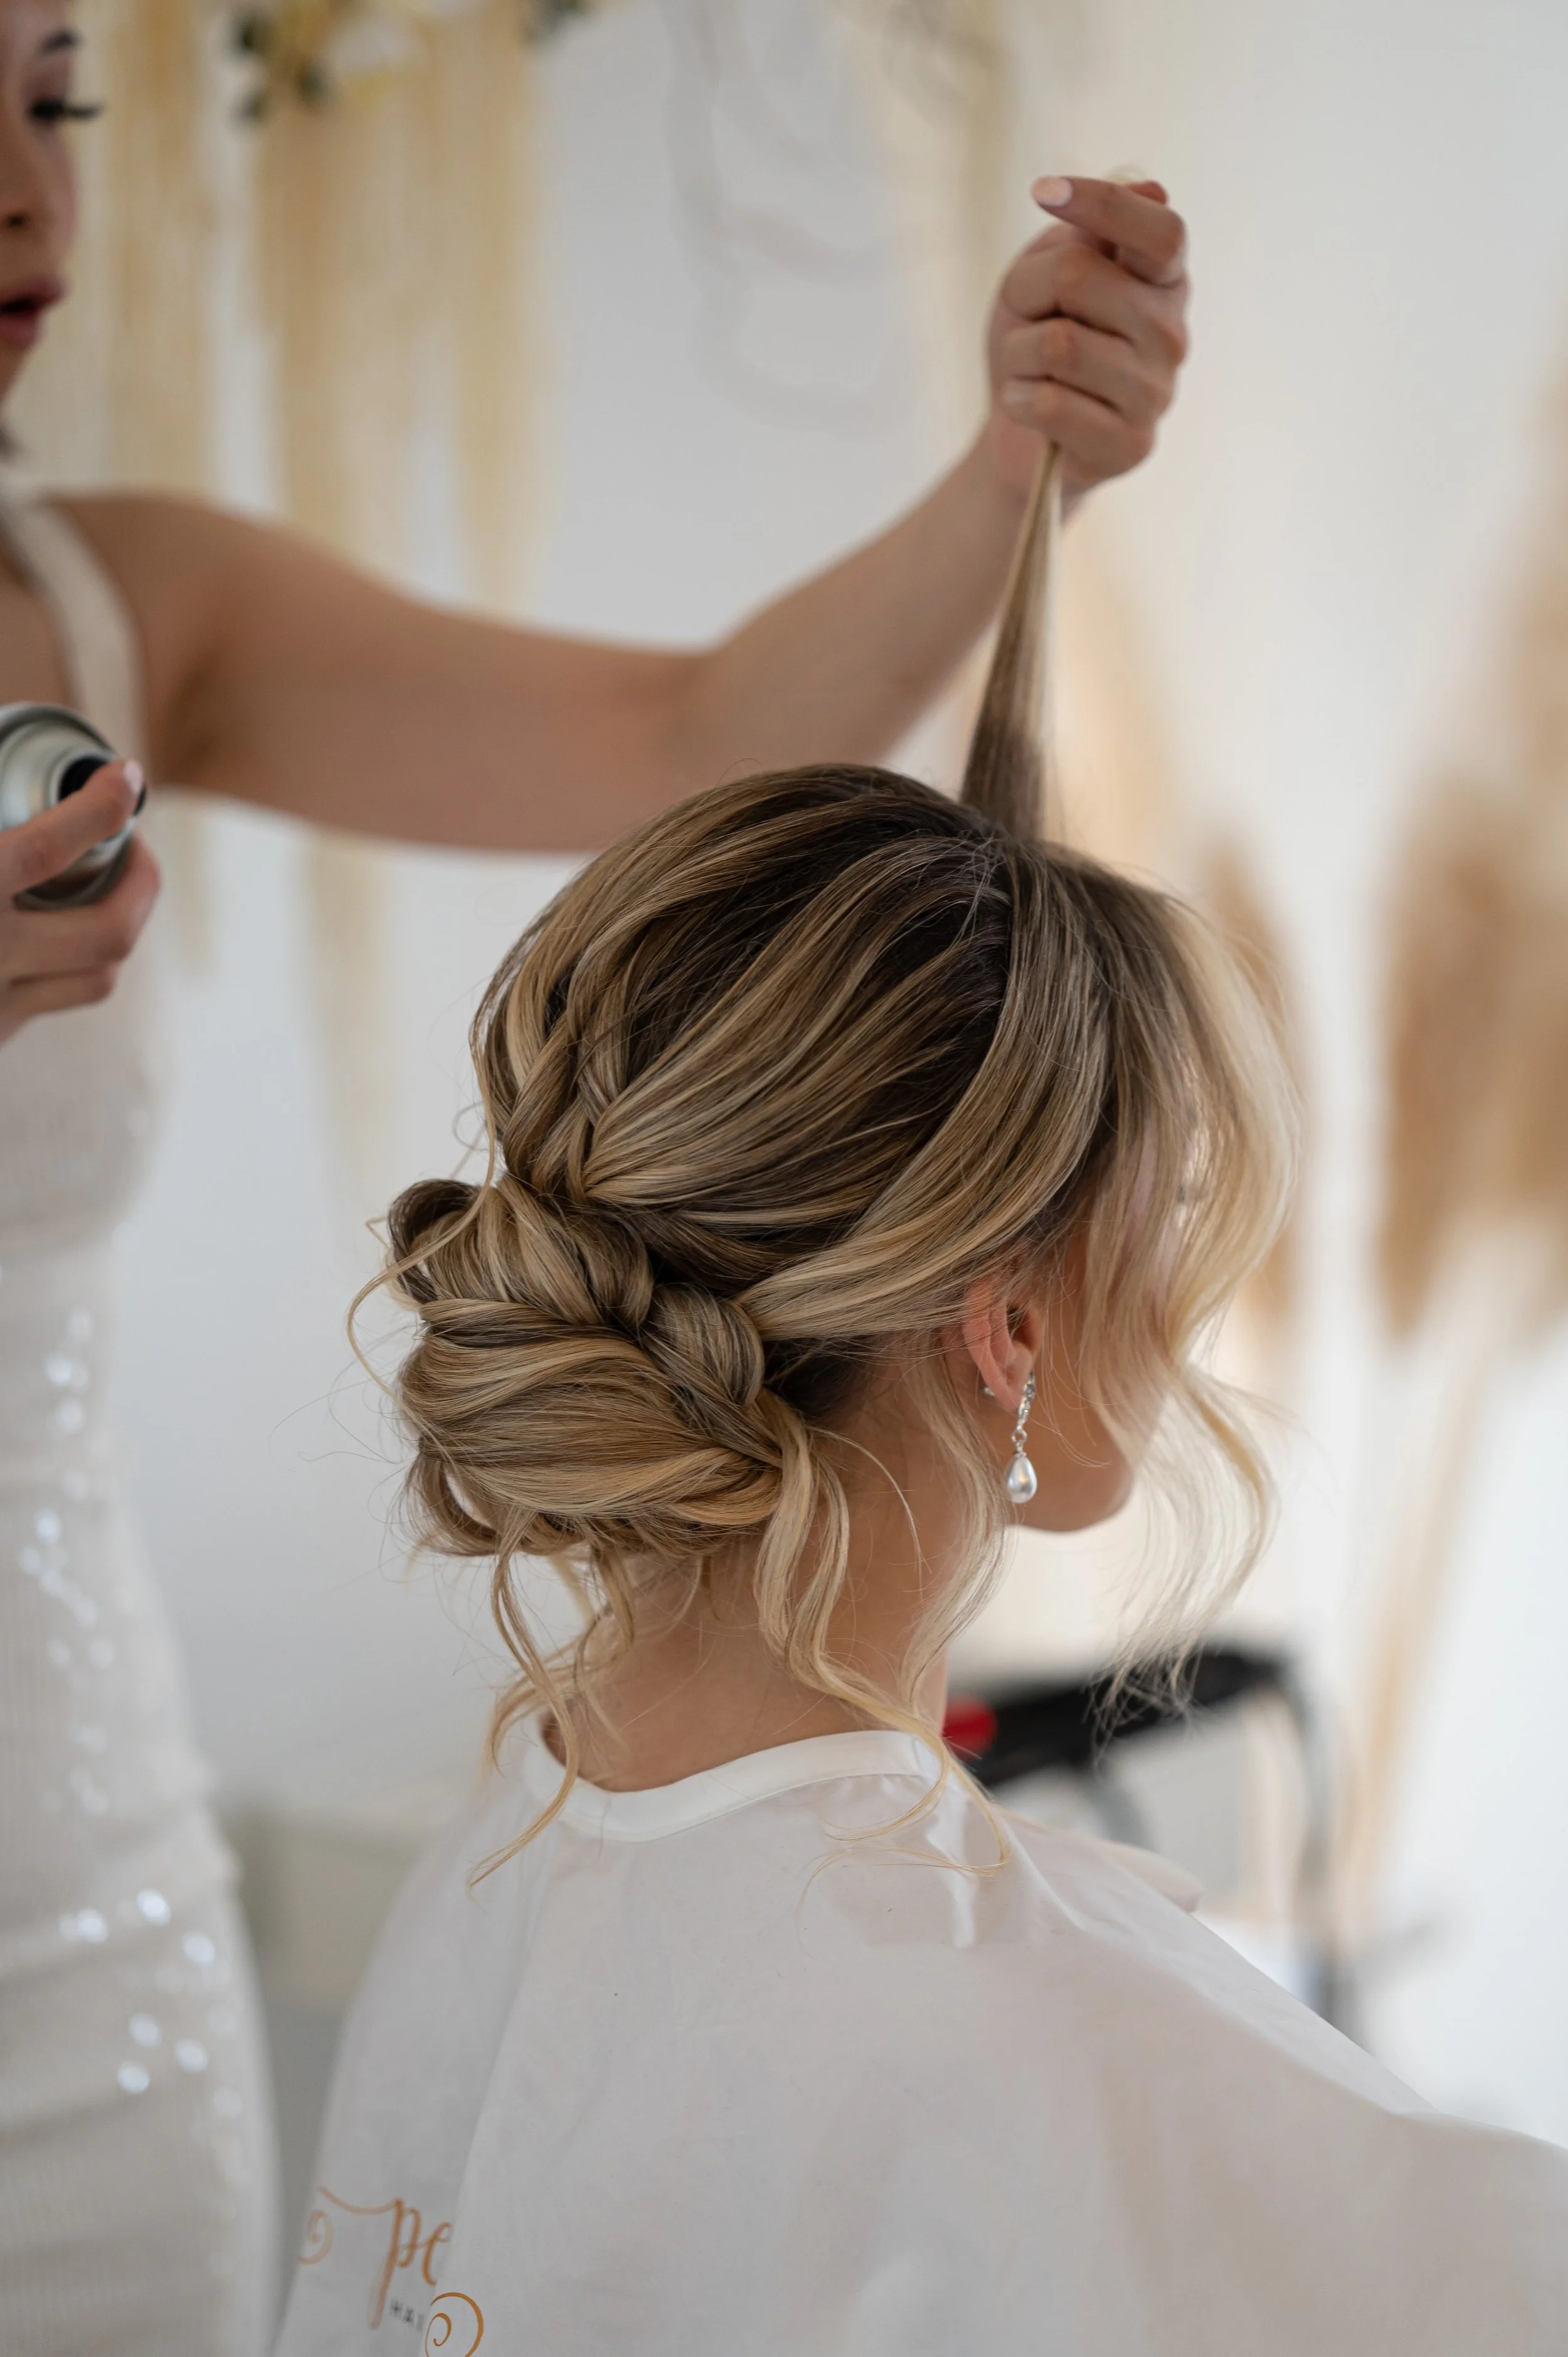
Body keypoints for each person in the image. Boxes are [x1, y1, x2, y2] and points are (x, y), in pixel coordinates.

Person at [0, 7, 1191, 2353]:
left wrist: (1012, 463)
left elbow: (690, 736)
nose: (33, 211)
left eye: (55, 108)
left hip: (66, 1882)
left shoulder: (110, 610)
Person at [277, 501, 1568, 2355]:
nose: (1191, 1288)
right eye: (1172, 1193)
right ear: (1009, 1311)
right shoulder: (1041, 2030)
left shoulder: (488, 1865)